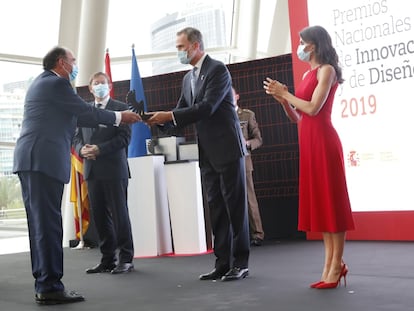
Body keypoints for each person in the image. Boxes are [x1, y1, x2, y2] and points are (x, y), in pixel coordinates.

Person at [13, 46, 140, 305]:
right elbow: (86, 112)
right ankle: (50, 287)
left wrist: (114, 117)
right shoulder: (57, 85)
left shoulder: (43, 84)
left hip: (33, 161)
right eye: (73, 61)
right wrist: (120, 117)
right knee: (48, 225)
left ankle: (45, 283)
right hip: (42, 161)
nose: (75, 65)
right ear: (62, 63)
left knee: (40, 225)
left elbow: (83, 118)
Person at [146, 27, 250, 282]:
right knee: (216, 208)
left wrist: (169, 116)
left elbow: (207, 108)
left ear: (196, 45)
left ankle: (241, 263)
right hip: (206, 152)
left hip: (227, 147)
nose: (179, 52)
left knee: (235, 206)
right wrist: (157, 121)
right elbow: (182, 111)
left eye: (181, 47)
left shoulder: (217, 69)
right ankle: (222, 263)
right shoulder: (188, 78)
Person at [263, 25, 355, 289]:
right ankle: (330, 265)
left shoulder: (327, 70)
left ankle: (335, 265)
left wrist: (286, 93)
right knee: (324, 205)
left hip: (324, 141)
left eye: (302, 42)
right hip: (309, 143)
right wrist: (283, 101)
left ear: (313, 45)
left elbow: (314, 108)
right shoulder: (307, 73)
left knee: (333, 204)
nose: (300, 47)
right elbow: (299, 117)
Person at [73, 72, 135, 275]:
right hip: (91, 169)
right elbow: (76, 137)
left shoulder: (120, 108)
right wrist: (82, 149)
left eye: (103, 83)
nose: (100, 86)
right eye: (96, 84)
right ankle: (107, 259)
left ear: (109, 86)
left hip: (114, 169)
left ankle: (126, 259)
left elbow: (124, 139)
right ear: (90, 88)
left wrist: (100, 149)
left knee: (120, 215)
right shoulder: (84, 111)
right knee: (99, 216)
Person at [232, 87, 265, 246]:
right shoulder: (219, 115)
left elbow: (258, 139)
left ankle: (257, 234)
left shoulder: (247, 115)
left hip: (244, 161)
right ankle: (235, 236)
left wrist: (248, 144)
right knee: (229, 201)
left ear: (237, 96)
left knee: (250, 199)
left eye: (230, 94)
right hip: (225, 163)